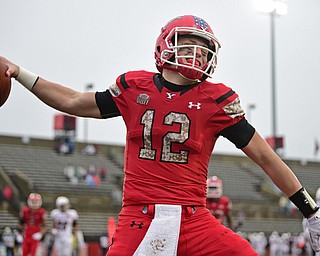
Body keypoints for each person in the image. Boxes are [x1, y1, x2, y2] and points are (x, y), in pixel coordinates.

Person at [1, 14, 320, 255]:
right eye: (189, 44)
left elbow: (265, 156)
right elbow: (71, 100)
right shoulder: (134, 86)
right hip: (138, 217)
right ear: (165, 45)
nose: (197, 54)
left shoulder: (216, 99)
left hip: (195, 219)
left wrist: (310, 211)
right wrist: (20, 73)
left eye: (203, 49)